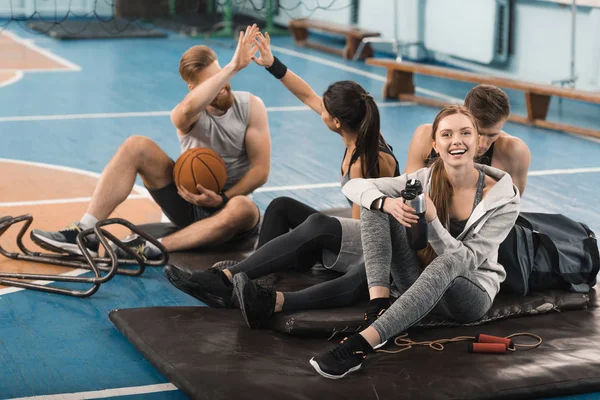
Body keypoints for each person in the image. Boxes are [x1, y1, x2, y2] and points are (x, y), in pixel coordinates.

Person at [163, 31, 401, 320]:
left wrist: (317, 241)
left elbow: (362, 232)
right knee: (281, 207)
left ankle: (226, 280)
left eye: (323, 109)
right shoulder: (359, 128)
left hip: (375, 248)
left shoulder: (364, 161)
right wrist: (272, 63)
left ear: (336, 122)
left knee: (319, 225)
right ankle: (249, 280)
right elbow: (306, 94)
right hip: (361, 236)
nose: (317, 107)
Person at [309, 105, 520, 379]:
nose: (456, 140)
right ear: (436, 144)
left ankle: (362, 344)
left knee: (447, 262)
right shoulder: (425, 179)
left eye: (465, 132)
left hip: (469, 294)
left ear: (478, 141)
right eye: (447, 134)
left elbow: (465, 262)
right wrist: (386, 202)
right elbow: (354, 186)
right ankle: (378, 309)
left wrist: (431, 221)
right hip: (419, 280)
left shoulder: (504, 199)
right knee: (375, 204)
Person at [30, 25, 271, 259]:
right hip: (187, 204)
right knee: (136, 145)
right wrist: (232, 67)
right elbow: (186, 108)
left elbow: (261, 171)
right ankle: (86, 234)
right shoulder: (187, 113)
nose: (222, 85)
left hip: (229, 208)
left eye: (221, 76)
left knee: (244, 208)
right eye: (213, 81)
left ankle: (151, 247)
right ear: (194, 88)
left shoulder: (251, 107)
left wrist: (223, 198)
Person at [405, 84, 530, 195]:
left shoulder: (514, 152)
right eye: (478, 133)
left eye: (492, 135)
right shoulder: (426, 136)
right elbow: (408, 191)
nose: (482, 144)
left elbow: (511, 208)